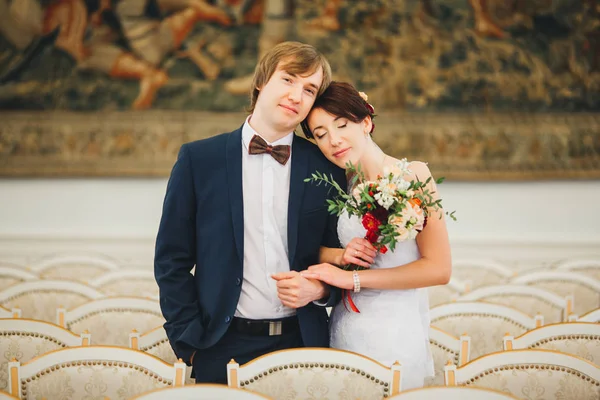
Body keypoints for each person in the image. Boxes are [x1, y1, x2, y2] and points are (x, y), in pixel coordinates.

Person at [154, 41, 346, 384]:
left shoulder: (327, 167)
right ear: (261, 81)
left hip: (303, 345)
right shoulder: (198, 160)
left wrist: (319, 290)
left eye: (309, 89)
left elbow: (341, 258)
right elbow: (171, 259)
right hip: (219, 346)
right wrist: (190, 344)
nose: (297, 95)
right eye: (288, 79)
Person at [299, 81, 452, 390]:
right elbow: (312, 248)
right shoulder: (338, 186)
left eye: (341, 125)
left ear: (366, 122)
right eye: (321, 134)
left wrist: (352, 280)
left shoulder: (413, 175)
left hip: (393, 329)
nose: (334, 140)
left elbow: (439, 269)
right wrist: (339, 257)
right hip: (343, 324)